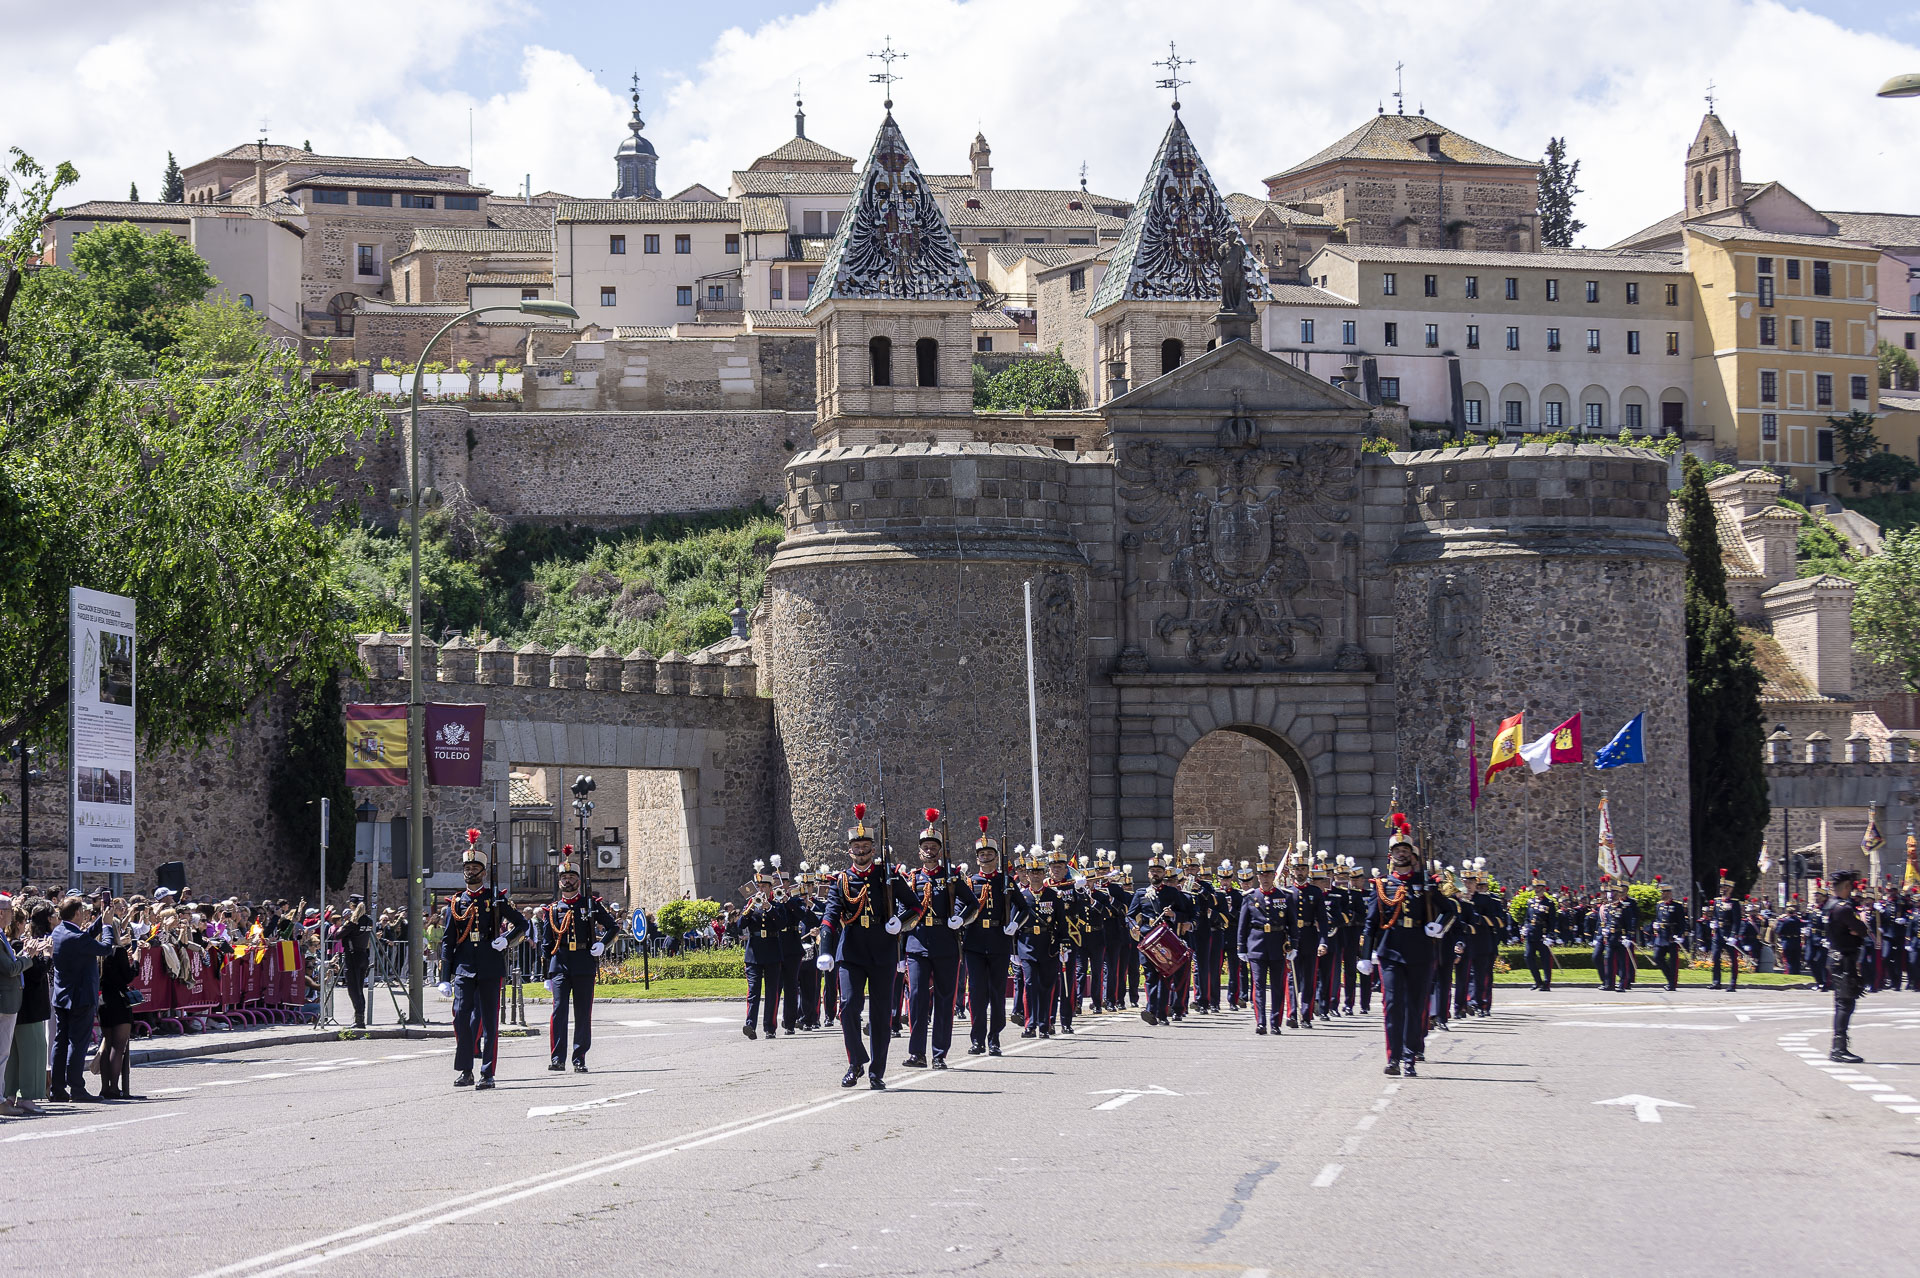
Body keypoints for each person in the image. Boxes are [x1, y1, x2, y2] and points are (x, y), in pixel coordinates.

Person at [817, 803, 913, 1090]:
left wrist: (901, 922)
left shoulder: (888, 876)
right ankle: (856, 1060)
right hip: (853, 951)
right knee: (848, 1007)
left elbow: (915, 907)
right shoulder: (841, 881)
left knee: (881, 1014)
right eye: (856, 846)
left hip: (883, 950)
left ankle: (877, 1072)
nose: (861, 851)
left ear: (873, 848)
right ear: (850, 851)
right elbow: (830, 917)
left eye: (865, 846)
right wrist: (825, 950)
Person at [437, 835, 528, 1091]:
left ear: (484, 872)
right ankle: (466, 1070)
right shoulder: (456, 902)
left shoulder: (495, 899)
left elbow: (523, 924)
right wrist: (445, 976)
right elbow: (448, 941)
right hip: (464, 968)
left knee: (489, 1023)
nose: (470, 872)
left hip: (490, 966)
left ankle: (487, 1073)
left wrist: (506, 940)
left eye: (475, 869)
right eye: (467, 869)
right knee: (461, 1019)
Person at [1360, 814, 1445, 1077]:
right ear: (1391, 855)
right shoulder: (1383, 885)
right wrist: (1365, 955)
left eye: (1405, 850)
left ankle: (1410, 1056)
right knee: (1393, 1004)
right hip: (1391, 951)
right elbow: (1371, 922)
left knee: (1415, 1005)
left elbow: (1449, 911)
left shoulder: (1425, 883)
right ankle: (1393, 1057)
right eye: (1397, 850)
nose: (1401, 854)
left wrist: (1438, 926)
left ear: (1411, 854)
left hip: (1420, 950)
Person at [901, 810, 977, 1069]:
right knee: (917, 997)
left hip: (945, 942)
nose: (929, 851)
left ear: (940, 850)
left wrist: (961, 919)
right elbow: (902, 914)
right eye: (925, 847)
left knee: (945, 999)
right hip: (918, 943)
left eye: (934, 847)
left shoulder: (951, 877)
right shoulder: (912, 879)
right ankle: (916, 1053)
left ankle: (939, 1054)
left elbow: (973, 903)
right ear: (919, 851)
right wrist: (901, 951)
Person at [545, 849, 619, 1073]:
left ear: (578, 880)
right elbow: (547, 944)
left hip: (584, 962)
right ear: (559, 882)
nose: (567, 881)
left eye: (571, 878)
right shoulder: (554, 909)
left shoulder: (590, 904)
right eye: (563, 878)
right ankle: (558, 1057)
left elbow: (613, 927)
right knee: (559, 1011)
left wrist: (602, 944)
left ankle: (579, 1057)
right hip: (560, 963)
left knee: (582, 1012)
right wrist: (546, 972)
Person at [961, 823, 1023, 1057]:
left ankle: (994, 1037)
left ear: (997, 857)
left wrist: (1015, 923)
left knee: (996, 993)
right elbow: (962, 907)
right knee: (976, 993)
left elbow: (1024, 907)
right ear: (977, 858)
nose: (985, 857)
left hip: (998, 940)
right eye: (981, 854)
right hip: (975, 942)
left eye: (989, 854)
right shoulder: (970, 882)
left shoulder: (1005, 882)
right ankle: (977, 1039)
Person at [50, 894, 114, 1103]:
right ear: (77, 913)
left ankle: (58, 1088)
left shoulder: (60, 931)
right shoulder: (76, 938)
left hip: (62, 996)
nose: (85, 913)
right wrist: (106, 926)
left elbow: (83, 936)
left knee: (61, 1043)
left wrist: (100, 920)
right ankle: (77, 1088)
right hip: (81, 997)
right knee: (77, 1044)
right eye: (83, 911)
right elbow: (105, 947)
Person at [6, 899, 54, 1115]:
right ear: (18, 924)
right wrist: (46, 955)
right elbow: (35, 975)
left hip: (18, 1007)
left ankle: (9, 1095)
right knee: (33, 1053)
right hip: (29, 1007)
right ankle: (27, 1097)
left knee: (14, 1055)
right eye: (24, 921)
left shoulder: (11, 944)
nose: (27, 925)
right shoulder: (17, 945)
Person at [1235, 851, 1289, 1035]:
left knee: (1277, 986)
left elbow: (1290, 925)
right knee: (1258, 986)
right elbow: (1243, 925)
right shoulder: (1250, 897)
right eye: (1262, 875)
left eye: (1268, 875)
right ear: (1257, 877)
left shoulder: (1283, 896)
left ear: (1274, 876)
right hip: (1256, 946)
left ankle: (1275, 1022)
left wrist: (1293, 945)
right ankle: (1261, 1022)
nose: (1265, 878)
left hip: (1277, 946)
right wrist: (1241, 948)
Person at [1825, 870, 1870, 1063]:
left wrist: (1856, 931)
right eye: (1850, 887)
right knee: (1845, 1004)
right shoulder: (1843, 908)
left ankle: (1839, 1046)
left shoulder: (1830, 905)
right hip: (1844, 959)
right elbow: (1862, 930)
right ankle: (1838, 1048)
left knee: (1842, 1003)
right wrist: (1859, 929)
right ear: (1845, 886)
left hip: (1836, 957)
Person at [741, 859, 786, 1040]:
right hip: (754, 953)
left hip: (773, 952)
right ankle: (750, 1025)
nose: (760, 890)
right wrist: (750, 909)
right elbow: (740, 925)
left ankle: (770, 1027)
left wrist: (769, 908)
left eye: (764, 887)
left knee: (772, 992)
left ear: (770, 888)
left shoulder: (777, 905)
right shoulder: (750, 905)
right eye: (758, 886)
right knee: (753, 991)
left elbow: (782, 923)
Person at [0, 893, 31, 1115]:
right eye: (10, 910)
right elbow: (10, 969)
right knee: (1, 1054)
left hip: (7, 1001)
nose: (13, 913)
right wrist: (27, 957)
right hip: (4, 1002)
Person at [335, 897, 373, 1028]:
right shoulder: (369, 920)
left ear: (352, 906)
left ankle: (359, 1020)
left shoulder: (352, 923)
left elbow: (337, 935)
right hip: (363, 955)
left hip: (352, 957)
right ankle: (360, 1018)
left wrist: (345, 924)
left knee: (353, 990)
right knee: (360, 989)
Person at [1650, 877, 1689, 990]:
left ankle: (1672, 984)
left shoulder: (1677, 906)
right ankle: (1670, 978)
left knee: (1673, 962)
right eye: (1661, 892)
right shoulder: (1659, 905)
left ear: (1669, 893)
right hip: (1661, 936)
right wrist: (1655, 924)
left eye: (1663, 892)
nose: (1662, 894)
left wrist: (1681, 935)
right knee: (1657, 957)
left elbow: (1682, 922)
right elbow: (1658, 918)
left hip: (1672, 936)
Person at [1707, 871, 1742, 990]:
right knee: (1716, 957)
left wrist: (1734, 935)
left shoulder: (1734, 903)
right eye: (1722, 887)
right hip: (1718, 934)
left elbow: (1737, 921)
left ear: (1731, 889)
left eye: (1726, 888)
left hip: (1729, 934)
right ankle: (1716, 982)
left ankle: (1732, 983)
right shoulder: (1717, 901)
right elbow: (1716, 916)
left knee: (1733, 959)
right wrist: (1713, 922)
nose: (1723, 890)